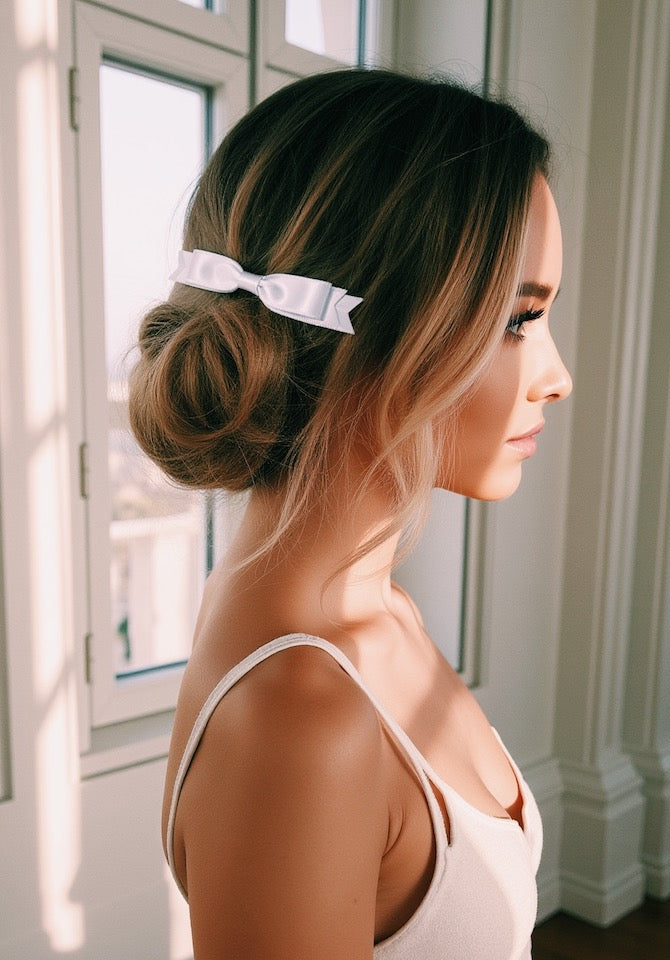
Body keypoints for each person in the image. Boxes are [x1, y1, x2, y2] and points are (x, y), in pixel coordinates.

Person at [129, 68, 572, 959]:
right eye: (518, 323)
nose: (557, 376)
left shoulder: (374, 613)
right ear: (374, 331)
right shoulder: (302, 714)